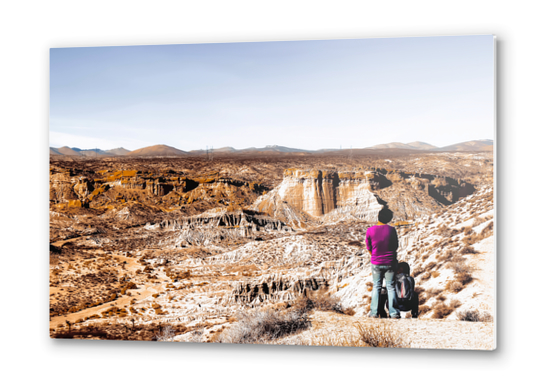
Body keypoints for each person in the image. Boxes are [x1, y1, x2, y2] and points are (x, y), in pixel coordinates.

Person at [366, 207, 401, 319]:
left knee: (376, 286)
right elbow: (396, 246)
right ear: (389, 218)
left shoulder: (370, 230)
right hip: (390, 262)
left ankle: (374, 313)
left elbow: (368, 247)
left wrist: (374, 256)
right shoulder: (391, 230)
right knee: (390, 287)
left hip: (376, 262)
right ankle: (394, 313)